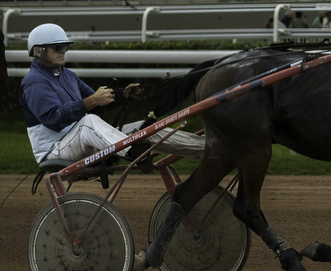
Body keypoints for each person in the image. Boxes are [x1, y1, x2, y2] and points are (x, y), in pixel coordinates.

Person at [19, 23, 204, 169]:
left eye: (65, 47)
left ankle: (204, 148)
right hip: (54, 151)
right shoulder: (34, 82)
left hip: (80, 140)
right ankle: (132, 152)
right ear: (38, 51)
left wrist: (123, 94)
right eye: (58, 47)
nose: (63, 51)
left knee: (142, 127)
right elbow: (53, 118)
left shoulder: (67, 75)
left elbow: (97, 103)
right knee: (89, 121)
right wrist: (90, 102)